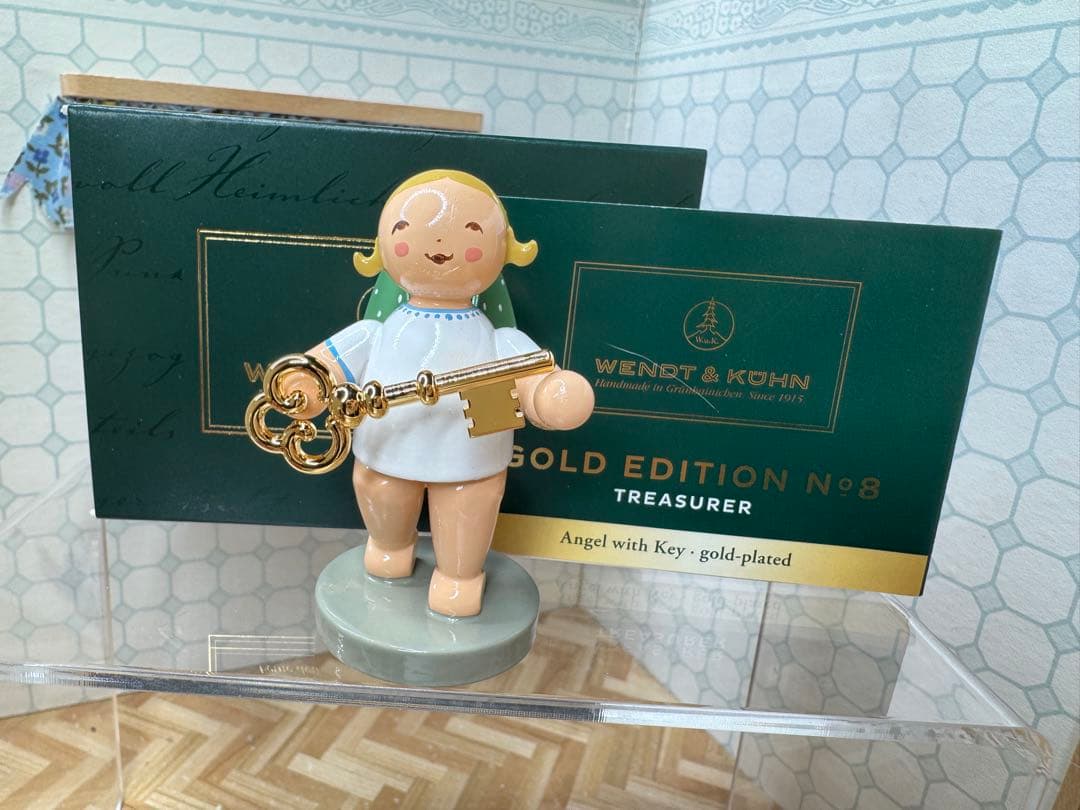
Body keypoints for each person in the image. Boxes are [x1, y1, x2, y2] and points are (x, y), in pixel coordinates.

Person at [288, 169, 594, 617]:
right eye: (407, 230)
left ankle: (460, 575)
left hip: (472, 455)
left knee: (468, 507)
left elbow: (531, 375)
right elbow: (325, 365)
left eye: (470, 231)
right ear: (383, 247)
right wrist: (306, 385)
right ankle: (390, 546)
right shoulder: (378, 331)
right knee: (382, 494)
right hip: (386, 449)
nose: (438, 243)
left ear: (502, 249)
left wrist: (550, 395)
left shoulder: (497, 339)